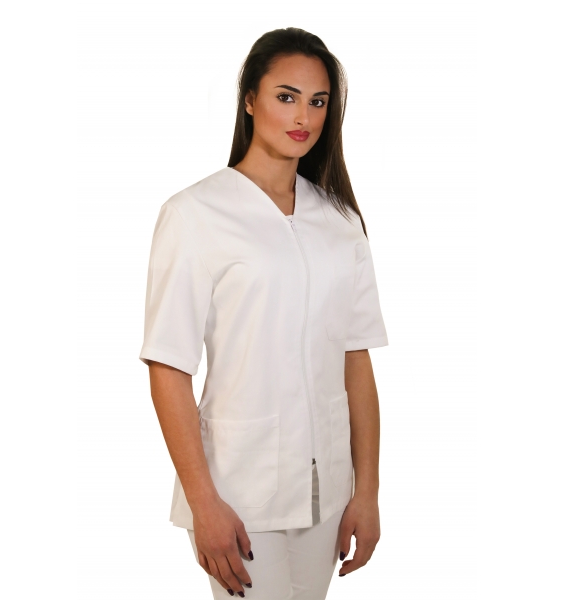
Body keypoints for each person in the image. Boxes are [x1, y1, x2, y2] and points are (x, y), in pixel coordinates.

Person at [139, 27, 388, 600]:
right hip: (237, 492)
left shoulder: (340, 221)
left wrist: (368, 491)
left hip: (328, 490)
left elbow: (355, 361)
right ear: (249, 99)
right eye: (286, 96)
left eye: (318, 101)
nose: (304, 116)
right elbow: (168, 368)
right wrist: (203, 502)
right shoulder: (195, 214)